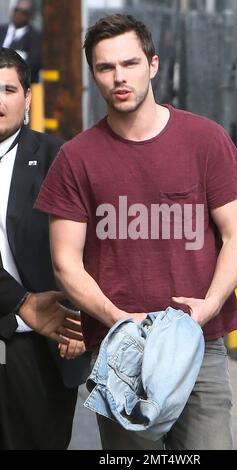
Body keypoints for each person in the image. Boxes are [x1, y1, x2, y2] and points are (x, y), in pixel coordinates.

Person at [35, 14, 237, 450]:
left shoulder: (205, 140)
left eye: (129, 63)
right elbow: (66, 263)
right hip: (119, 352)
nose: (119, 77)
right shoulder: (76, 159)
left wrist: (208, 307)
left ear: (152, 65)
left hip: (197, 343)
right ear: (93, 74)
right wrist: (120, 321)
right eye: (105, 67)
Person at [0, 47, 85, 450]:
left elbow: (91, 250)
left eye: (8, 89)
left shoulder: (59, 158)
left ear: (28, 98)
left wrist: (82, 316)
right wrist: (19, 300)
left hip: (36, 346)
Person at [0, 1, 42, 83]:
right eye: (16, 10)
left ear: (31, 16)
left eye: (24, 12)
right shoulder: (1, 30)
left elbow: (31, 65)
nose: (18, 14)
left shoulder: (35, 37)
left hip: (18, 83)